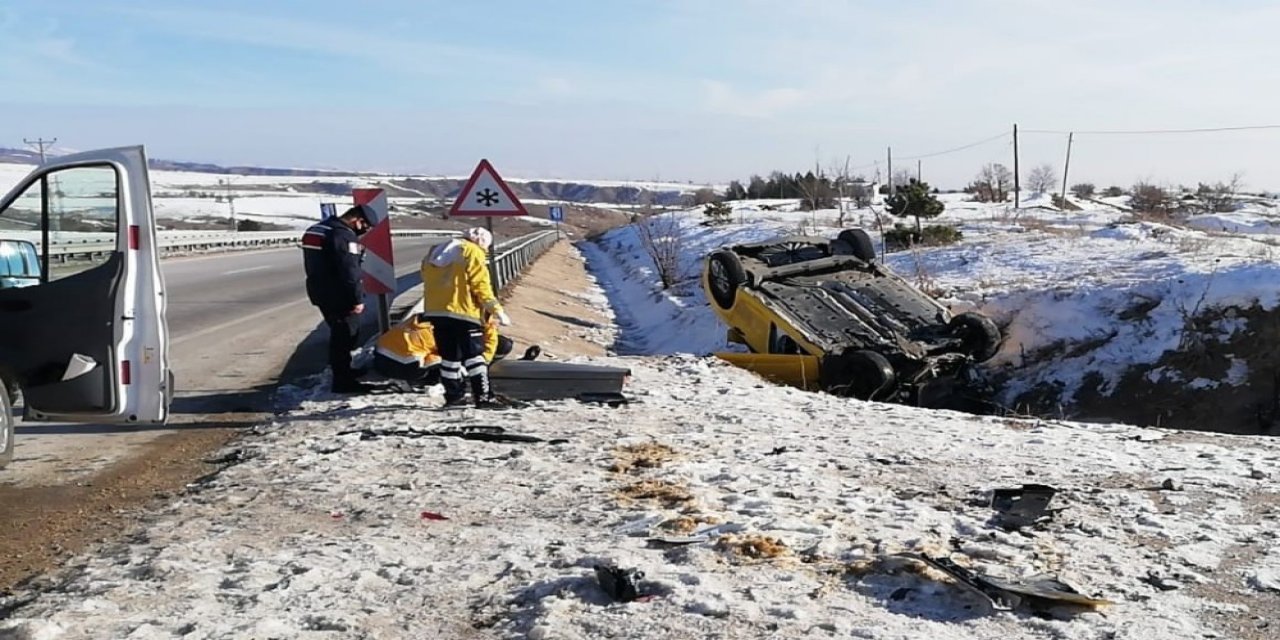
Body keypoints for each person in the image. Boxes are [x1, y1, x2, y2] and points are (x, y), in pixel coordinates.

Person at [420, 227, 511, 408]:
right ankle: (484, 397)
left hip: (436, 312)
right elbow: (481, 285)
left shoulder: (435, 250)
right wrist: (496, 310)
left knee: (449, 358)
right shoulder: (473, 252)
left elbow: (425, 275)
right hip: (463, 312)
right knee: (474, 357)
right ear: (482, 242)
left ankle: (454, 396)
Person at [302, 205, 373, 393]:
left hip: (320, 291)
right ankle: (343, 381)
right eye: (365, 226)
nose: (364, 231)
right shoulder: (342, 235)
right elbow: (350, 271)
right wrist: (357, 299)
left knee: (339, 334)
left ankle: (345, 372)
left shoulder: (319, 229)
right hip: (340, 295)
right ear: (357, 220)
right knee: (345, 337)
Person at [373, 313, 524, 389]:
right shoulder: (451, 331)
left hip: (381, 353)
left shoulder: (437, 314)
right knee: (448, 362)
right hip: (403, 365)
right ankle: (421, 381)